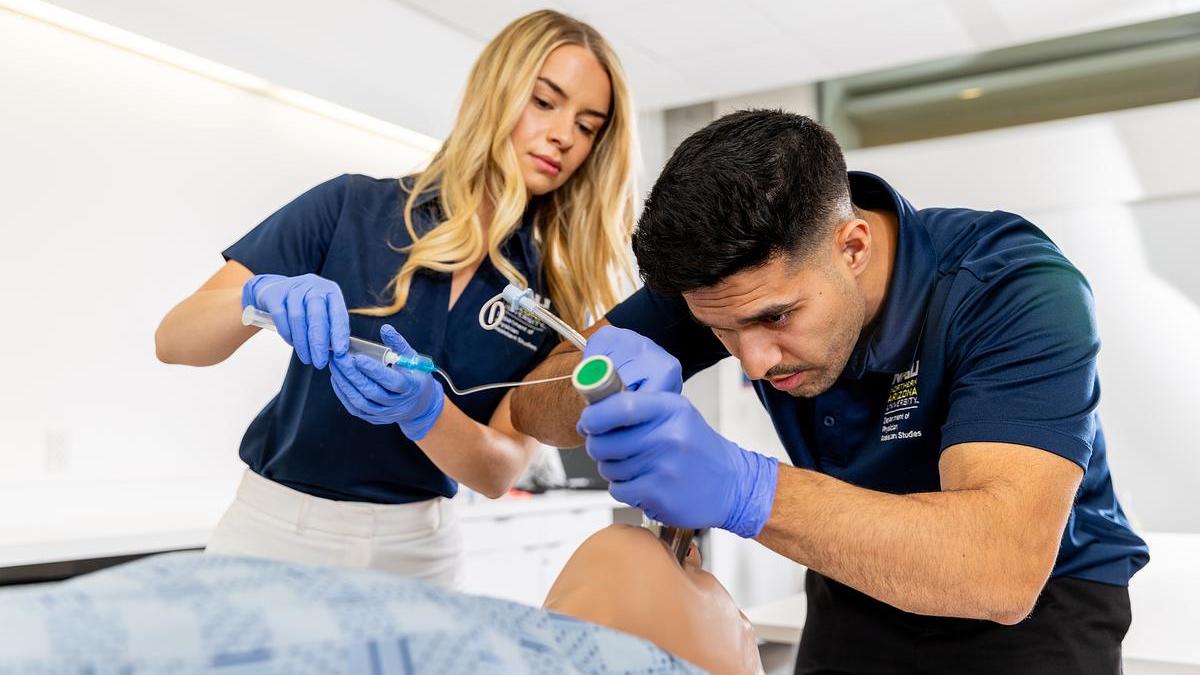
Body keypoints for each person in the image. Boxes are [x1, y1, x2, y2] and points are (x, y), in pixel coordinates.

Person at [511, 110, 1149, 674]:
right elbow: (530, 403)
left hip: (1039, 605)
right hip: (855, 583)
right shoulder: (728, 285)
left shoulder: (1013, 288)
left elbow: (999, 569)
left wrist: (745, 487)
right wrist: (598, 384)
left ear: (853, 247)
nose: (754, 362)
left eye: (777, 318)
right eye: (721, 331)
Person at [154, 9, 638, 588]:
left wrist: (426, 413)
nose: (564, 136)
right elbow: (175, 341)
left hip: (419, 552)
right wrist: (256, 296)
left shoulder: (550, 299)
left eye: (587, 126)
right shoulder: (349, 208)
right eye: (544, 101)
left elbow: (499, 471)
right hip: (276, 534)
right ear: (495, 93)